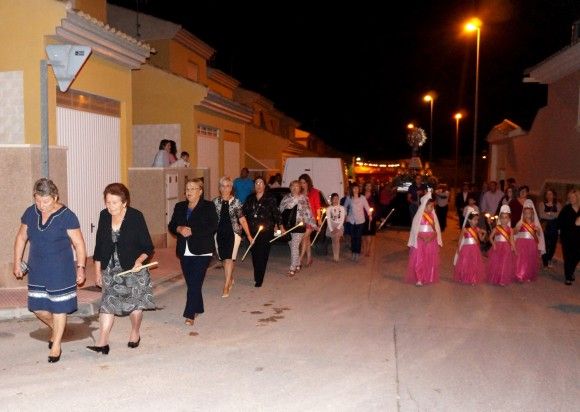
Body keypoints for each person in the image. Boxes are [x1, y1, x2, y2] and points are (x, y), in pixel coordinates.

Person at [13, 178, 87, 363]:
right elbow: (21, 237)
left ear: (55, 197)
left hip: (60, 269)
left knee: (59, 307)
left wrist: (81, 268)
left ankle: (56, 345)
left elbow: (79, 244)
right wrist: (17, 262)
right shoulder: (31, 212)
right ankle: (57, 328)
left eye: (45, 201)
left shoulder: (67, 216)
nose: (41, 205)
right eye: (37, 200)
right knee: (37, 308)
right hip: (37, 267)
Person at [87, 183, 155, 355]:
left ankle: (135, 332)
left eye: (114, 203)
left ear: (125, 202)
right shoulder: (104, 216)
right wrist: (97, 272)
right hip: (110, 269)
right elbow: (99, 247)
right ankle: (102, 342)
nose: (110, 207)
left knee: (135, 305)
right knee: (107, 304)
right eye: (108, 202)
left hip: (133, 269)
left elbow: (148, 247)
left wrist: (139, 261)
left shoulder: (136, 217)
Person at [168, 178, 218, 325]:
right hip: (184, 250)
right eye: (187, 189)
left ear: (200, 191)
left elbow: (213, 226)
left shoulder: (208, 206)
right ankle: (199, 307)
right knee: (192, 283)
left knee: (195, 282)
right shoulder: (179, 206)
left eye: (193, 189)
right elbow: (172, 225)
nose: (189, 192)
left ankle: (190, 314)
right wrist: (179, 229)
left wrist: (192, 231)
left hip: (202, 250)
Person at [212, 176, 252, 297]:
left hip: (234, 234)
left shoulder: (236, 202)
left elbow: (242, 220)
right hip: (218, 233)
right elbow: (210, 219)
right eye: (223, 186)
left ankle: (226, 285)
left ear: (231, 188)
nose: (225, 188)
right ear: (220, 188)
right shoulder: (215, 202)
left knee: (229, 258)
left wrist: (249, 235)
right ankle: (230, 277)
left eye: (228, 186)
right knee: (224, 259)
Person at [242, 177, 283, 287]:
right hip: (252, 230)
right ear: (254, 185)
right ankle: (257, 275)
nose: (258, 185)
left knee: (263, 254)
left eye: (261, 183)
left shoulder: (270, 198)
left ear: (264, 185)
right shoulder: (250, 198)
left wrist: (280, 226)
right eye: (256, 183)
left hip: (266, 230)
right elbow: (243, 212)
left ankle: (259, 278)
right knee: (255, 254)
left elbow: (276, 213)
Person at [406, 190, 442, 286]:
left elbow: (435, 230)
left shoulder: (432, 216)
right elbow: (414, 230)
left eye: (433, 206)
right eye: (431, 206)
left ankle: (428, 276)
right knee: (419, 259)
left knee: (429, 259)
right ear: (425, 206)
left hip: (430, 240)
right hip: (420, 240)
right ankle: (419, 278)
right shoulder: (419, 216)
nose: (432, 208)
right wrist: (422, 238)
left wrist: (432, 237)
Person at [279, 180, 314, 276]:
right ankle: (298, 263)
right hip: (287, 227)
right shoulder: (286, 198)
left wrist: (314, 225)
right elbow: (279, 212)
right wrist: (278, 225)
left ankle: (292, 268)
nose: (294, 188)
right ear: (290, 187)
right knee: (292, 246)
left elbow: (308, 213)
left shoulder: (304, 199)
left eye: (297, 186)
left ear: (300, 188)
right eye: (292, 186)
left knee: (294, 246)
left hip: (299, 226)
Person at [514, 199, 545, 282]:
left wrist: (538, 230)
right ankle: (520, 274)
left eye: (529, 213)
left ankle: (528, 274)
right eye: (526, 213)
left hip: (531, 244)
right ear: (523, 214)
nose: (527, 215)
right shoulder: (520, 222)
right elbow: (515, 232)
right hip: (521, 243)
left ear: (532, 214)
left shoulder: (535, 224)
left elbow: (539, 235)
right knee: (521, 259)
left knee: (530, 259)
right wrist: (517, 228)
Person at [453, 207, 486, 285]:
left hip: (475, 249)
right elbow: (460, 240)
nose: (476, 221)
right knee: (465, 263)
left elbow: (481, 239)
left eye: (477, 220)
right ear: (469, 220)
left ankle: (473, 278)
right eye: (474, 219)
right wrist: (458, 248)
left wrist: (484, 233)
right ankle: (463, 276)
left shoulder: (477, 229)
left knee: (474, 263)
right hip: (466, 249)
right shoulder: (465, 229)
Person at [487, 205, 516, 286]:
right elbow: (490, 237)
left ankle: (502, 279)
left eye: (506, 217)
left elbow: (512, 240)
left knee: (504, 263)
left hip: (507, 248)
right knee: (497, 263)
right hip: (498, 247)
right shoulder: (497, 228)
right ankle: (496, 277)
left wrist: (513, 248)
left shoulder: (510, 230)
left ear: (509, 219)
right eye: (502, 217)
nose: (504, 219)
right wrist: (493, 244)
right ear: (500, 218)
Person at [298, 173, 322, 267]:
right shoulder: (299, 193)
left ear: (308, 182)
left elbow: (318, 207)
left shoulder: (315, 192)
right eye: (301, 183)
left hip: (311, 219)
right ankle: (309, 258)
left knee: (304, 237)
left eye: (304, 182)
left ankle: (299, 260)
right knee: (307, 239)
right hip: (303, 220)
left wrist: (319, 220)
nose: (302, 184)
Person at [558, 189, 580, 285]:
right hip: (567, 237)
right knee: (568, 257)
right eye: (570, 197)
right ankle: (568, 276)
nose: (571, 199)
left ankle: (571, 271)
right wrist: (575, 223)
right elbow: (560, 222)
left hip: (579, 238)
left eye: (573, 197)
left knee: (577, 256)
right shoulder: (566, 209)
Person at [343, 184, 370, 261]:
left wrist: (370, 214)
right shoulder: (349, 198)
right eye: (354, 188)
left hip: (360, 221)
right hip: (351, 220)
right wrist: (345, 216)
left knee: (358, 237)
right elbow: (344, 207)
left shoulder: (362, 198)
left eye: (357, 188)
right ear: (352, 189)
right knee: (353, 237)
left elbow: (367, 207)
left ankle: (357, 253)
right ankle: (353, 252)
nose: (356, 190)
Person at [538, 188, 561, 268]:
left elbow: (559, 215)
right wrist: (553, 215)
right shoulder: (541, 204)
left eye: (550, 194)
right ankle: (545, 262)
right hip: (545, 227)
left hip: (554, 227)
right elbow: (541, 215)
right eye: (547, 194)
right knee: (545, 245)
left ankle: (549, 258)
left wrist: (549, 213)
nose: (549, 196)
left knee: (553, 245)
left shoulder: (557, 204)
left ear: (553, 195)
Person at [326, 193, 346, 262]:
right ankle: (334, 255)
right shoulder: (329, 208)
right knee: (333, 240)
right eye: (334, 198)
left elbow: (342, 219)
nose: (336, 200)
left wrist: (338, 228)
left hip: (339, 226)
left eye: (337, 198)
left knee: (337, 240)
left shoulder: (342, 208)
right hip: (331, 225)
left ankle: (336, 256)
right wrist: (331, 229)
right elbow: (328, 219)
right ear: (332, 200)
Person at [362, 182, 378, 257]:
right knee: (363, 234)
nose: (368, 187)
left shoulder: (374, 195)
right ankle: (364, 248)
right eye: (367, 185)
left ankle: (368, 249)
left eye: (370, 186)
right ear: (365, 187)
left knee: (369, 234)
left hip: (371, 217)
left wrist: (373, 214)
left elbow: (377, 206)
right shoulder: (361, 195)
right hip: (362, 216)